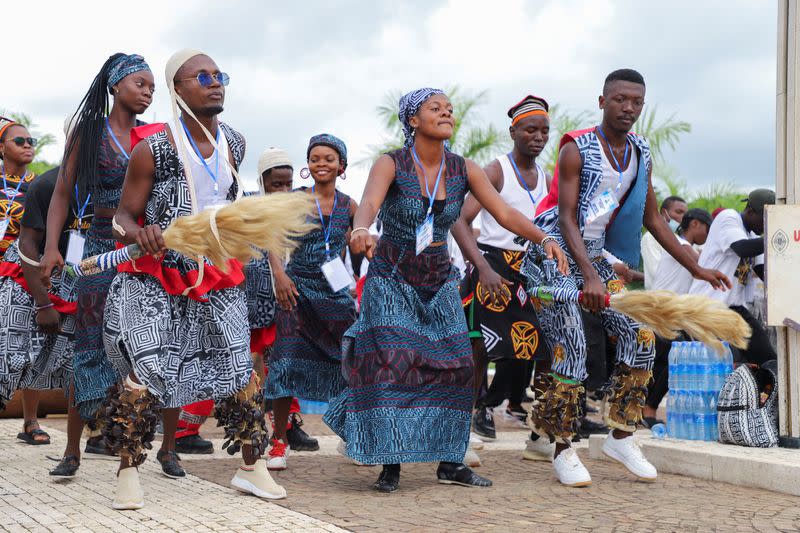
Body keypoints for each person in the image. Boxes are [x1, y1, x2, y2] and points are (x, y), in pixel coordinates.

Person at [325, 87, 568, 493]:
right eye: (434, 108)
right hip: (392, 275)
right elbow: (368, 203)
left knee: (457, 366)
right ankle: (391, 462)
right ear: (413, 121)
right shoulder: (392, 164)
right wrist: (362, 228)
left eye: (449, 109)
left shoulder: (463, 168)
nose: (446, 113)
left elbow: (505, 213)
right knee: (393, 363)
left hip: (438, 276)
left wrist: (544, 239)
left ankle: (451, 462)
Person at [524, 69, 729, 487]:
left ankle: (620, 435)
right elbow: (565, 217)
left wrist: (697, 266)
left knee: (641, 336)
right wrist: (587, 276)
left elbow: (652, 218)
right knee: (572, 348)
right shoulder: (576, 149)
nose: (628, 108)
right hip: (555, 255)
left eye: (636, 101)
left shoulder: (640, 151)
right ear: (602, 102)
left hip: (594, 258)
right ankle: (563, 447)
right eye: (620, 100)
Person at [100, 49, 284, 509]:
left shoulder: (235, 143)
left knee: (239, 367)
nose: (214, 82)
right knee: (147, 370)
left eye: (219, 75)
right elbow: (121, 216)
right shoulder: (154, 147)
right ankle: (128, 473)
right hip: (156, 274)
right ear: (177, 90)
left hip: (217, 270)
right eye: (201, 76)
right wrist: (137, 231)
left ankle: (251, 467)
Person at [38, 55, 174, 466]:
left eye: (152, 87)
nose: (148, 92)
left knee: (155, 344)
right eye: (139, 84)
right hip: (100, 247)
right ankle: (72, 452)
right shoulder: (89, 132)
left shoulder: (157, 135)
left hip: (146, 248)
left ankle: (167, 450)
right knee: (89, 342)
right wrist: (50, 247)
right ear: (115, 86)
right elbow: (62, 192)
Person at [456, 95, 554, 461]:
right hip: (495, 266)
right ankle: (461, 433)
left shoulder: (547, 177)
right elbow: (460, 219)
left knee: (545, 348)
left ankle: (541, 432)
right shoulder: (497, 169)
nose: (538, 136)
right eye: (530, 129)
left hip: (533, 269)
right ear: (513, 131)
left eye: (544, 130)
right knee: (479, 350)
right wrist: (481, 266)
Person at [264, 134, 357, 470]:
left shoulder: (350, 205)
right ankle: (278, 441)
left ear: (341, 166)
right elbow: (271, 238)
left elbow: (360, 237)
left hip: (335, 295)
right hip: (296, 290)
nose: (321, 163)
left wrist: (364, 240)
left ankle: (353, 434)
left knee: (351, 363)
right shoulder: (295, 199)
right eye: (315, 158)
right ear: (308, 165)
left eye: (329, 158)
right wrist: (279, 275)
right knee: (285, 362)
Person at [248, 147, 319, 453]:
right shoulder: (250, 204)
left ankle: (287, 425)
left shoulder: (297, 209)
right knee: (249, 365)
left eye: (287, 183)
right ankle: (251, 425)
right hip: (253, 296)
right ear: (262, 180)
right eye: (275, 184)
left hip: (287, 296)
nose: (282, 189)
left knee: (284, 361)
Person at [0, 116, 50, 445]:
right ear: (2, 148)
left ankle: (30, 421)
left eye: (30, 140)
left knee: (33, 343)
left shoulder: (40, 186)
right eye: (20, 141)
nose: (29, 144)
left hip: (25, 274)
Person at [688, 189, 777, 366]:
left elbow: (764, 272)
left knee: (768, 360)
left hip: (734, 309)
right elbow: (742, 248)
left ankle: (768, 392)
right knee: (727, 365)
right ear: (750, 211)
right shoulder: (728, 218)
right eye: (765, 219)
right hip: (708, 306)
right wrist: (778, 236)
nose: (767, 225)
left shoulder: (752, 235)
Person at [643, 207, 712, 426]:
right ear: (695, 225)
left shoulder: (683, 247)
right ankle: (648, 409)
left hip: (670, 313)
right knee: (678, 358)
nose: (708, 235)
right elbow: (703, 264)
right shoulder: (681, 246)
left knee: (661, 364)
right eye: (707, 229)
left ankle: (641, 410)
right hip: (662, 312)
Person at [641, 196, 687, 288]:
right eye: (678, 212)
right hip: (659, 297)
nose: (683, 217)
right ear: (663, 213)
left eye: (685, 214)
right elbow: (656, 271)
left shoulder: (679, 239)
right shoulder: (651, 237)